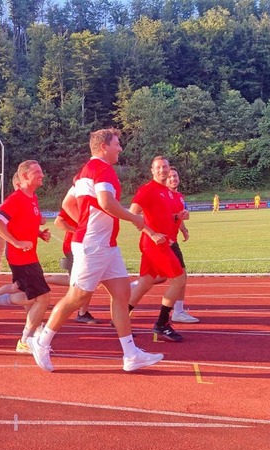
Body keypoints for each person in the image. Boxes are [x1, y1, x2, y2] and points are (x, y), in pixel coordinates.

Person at [26, 128, 163, 373]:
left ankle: (130, 354)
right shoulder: (103, 170)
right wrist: (135, 219)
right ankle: (41, 341)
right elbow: (106, 202)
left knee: (121, 295)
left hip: (105, 245)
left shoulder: (83, 172)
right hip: (93, 246)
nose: (120, 148)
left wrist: (85, 223)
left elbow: (67, 204)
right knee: (76, 298)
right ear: (103, 147)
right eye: (117, 144)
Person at [0, 160, 52, 353]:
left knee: (30, 297)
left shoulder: (32, 197)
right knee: (43, 297)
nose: (42, 175)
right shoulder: (16, 198)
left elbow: (22, 224)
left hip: (29, 254)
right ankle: (25, 340)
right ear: (24, 176)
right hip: (21, 257)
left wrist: (39, 233)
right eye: (37, 172)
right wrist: (16, 242)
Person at [127, 157, 190, 342]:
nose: (162, 170)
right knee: (179, 280)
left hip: (164, 242)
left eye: (165, 167)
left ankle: (119, 317)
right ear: (152, 170)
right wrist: (152, 233)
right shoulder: (148, 190)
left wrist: (179, 216)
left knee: (146, 282)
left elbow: (165, 216)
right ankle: (162, 324)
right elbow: (132, 214)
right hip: (154, 243)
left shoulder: (167, 192)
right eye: (158, 167)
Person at [53, 201, 96, 324]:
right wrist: (76, 231)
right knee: (84, 282)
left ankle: (43, 280)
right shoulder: (73, 203)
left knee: (78, 281)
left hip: (87, 246)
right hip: (74, 247)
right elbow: (58, 221)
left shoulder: (90, 204)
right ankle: (82, 313)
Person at [166, 166, 199, 323]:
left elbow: (179, 217)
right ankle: (176, 312)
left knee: (155, 278)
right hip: (164, 242)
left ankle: (178, 311)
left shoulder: (179, 196)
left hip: (173, 241)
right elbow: (158, 218)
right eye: (170, 176)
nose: (173, 178)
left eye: (175, 175)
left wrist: (184, 229)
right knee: (179, 277)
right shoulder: (163, 196)